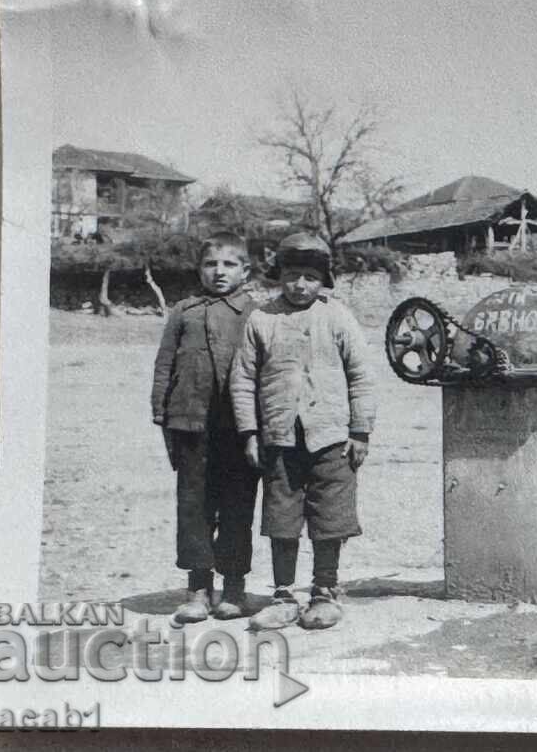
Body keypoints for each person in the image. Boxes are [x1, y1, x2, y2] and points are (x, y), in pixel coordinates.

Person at [230, 232, 377, 631]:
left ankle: (324, 590)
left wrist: (360, 431)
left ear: (323, 280)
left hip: (331, 436)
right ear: (279, 276)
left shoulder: (337, 316)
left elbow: (361, 376)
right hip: (279, 436)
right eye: (292, 275)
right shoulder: (262, 319)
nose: (300, 285)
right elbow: (243, 380)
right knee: (282, 515)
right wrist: (249, 433)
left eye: (310, 277)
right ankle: (283, 594)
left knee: (330, 515)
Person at [151, 231, 259, 623]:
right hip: (189, 422)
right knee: (193, 505)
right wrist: (161, 413)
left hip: (239, 426)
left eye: (229, 264)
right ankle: (198, 587)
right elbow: (165, 364)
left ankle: (234, 586)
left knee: (237, 505)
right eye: (211, 264)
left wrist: (259, 426)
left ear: (246, 270)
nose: (219, 272)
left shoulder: (256, 313)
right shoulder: (184, 311)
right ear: (199, 269)